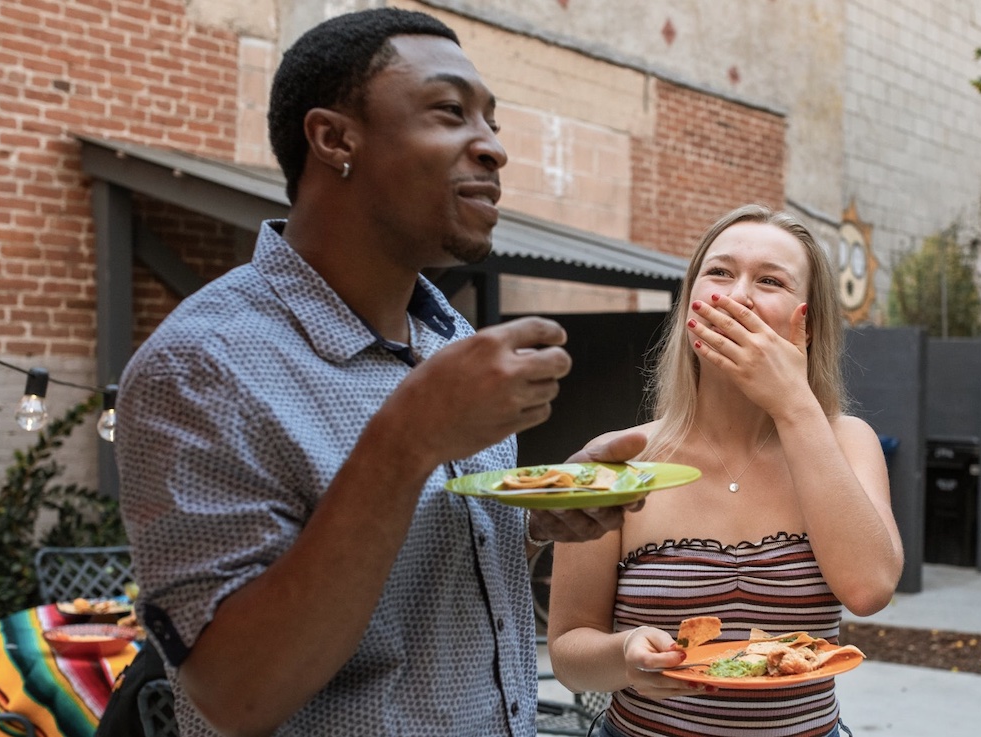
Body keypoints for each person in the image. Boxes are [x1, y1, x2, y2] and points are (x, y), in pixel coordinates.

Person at [114, 8, 642, 737]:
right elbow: (234, 695)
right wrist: (407, 437)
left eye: (492, 121)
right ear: (335, 139)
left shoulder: (448, 337)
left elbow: (424, 586)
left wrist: (535, 517)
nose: (493, 149)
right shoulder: (203, 366)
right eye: (451, 112)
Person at [545, 204, 904, 737]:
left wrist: (794, 406)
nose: (735, 297)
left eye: (770, 281)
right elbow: (569, 652)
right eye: (718, 273)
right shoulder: (620, 459)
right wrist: (625, 656)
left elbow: (869, 589)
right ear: (690, 302)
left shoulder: (846, 441)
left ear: (807, 321)